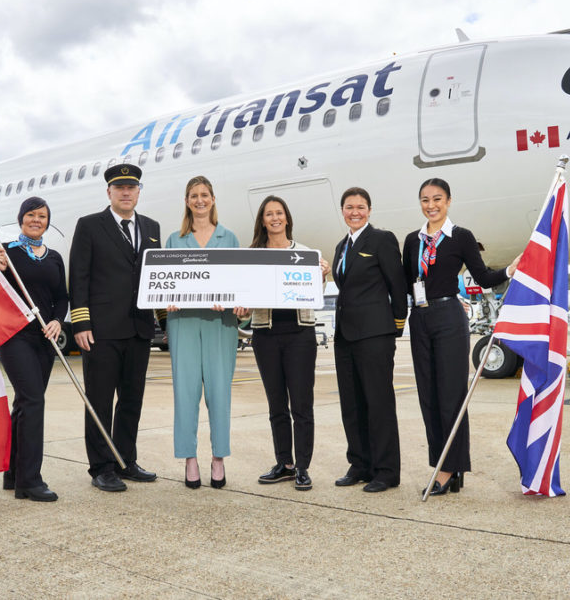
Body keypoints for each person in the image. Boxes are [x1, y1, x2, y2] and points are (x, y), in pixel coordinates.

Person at [403, 178, 520, 496]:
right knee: (428, 395)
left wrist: (509, 270)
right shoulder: (413, 240)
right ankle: (443, 465)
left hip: (449, 318)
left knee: (451, 394)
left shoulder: (461, 237)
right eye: (425, 199)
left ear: (449, 201)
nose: (431, 205)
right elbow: (404, 282)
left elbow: (482, 277)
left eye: (437, 199)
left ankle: (449, 468)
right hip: (420, 317)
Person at [68, 163, 164, 493]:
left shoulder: (152, 227)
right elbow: (78, 277)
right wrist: (80, 323)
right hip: (102, 330)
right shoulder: (90, 226)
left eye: (132, 187)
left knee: (131, 400)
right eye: (119, 188)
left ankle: (126, 460)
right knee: (100, 400)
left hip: (138, 329)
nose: (126, 192)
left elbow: (158, 277)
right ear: (109, 192)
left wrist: (164, 317)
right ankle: (101, 466)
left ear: (138, 192)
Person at [245, 196, 329, 491]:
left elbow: (313, 294)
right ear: (263, 220)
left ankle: (303, 467)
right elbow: (247, 294)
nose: (275, 218)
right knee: (276, 404)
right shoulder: (253, 254)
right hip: (265, 334)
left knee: (302, 405)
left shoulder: (305, 253)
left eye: (279, 213)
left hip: (300, 335)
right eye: (269, 214)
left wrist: (321, 275)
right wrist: (242, 305)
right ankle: (285, 463)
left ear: (287, 218)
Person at [165, 176, 241, 489]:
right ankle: (190, 458)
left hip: (220, 325)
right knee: (185, 392)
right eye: (194, 195)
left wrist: (236, 301)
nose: (200, 200)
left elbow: (239, 282)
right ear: (187, 201)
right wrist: (165, 300)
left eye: (205, 195)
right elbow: (164, 282)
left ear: (212, 199)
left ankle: (218, 458)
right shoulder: (174, 239)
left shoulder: (229, 237)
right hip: (183, 322)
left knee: (219, 392)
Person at [331, 187, 408, 493]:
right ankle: (360, 464)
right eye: (349, 207)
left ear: (370, 210)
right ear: (343, 211)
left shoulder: (381, 240)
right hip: (345, 336)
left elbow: (397, 286)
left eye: (360, 207)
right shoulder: (341, 246)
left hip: (375, 335)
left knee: (379, 404)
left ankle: (387, 470)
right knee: (352, 404)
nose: (355, 212)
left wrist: (395, 327)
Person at [0, 196, 68, 502]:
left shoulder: (54, 258)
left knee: (24, 404)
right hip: (14, 337)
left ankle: (12, 473)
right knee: (33, 400)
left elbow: (62, 297)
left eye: (42, 216)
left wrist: (57, 321)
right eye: (31, 215)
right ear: (21, 218)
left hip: (44, 339)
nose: (36, 220)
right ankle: (30, 481)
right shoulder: (5, 253)